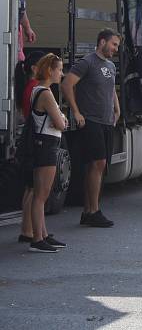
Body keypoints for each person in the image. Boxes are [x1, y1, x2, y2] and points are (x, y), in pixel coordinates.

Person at [62, 29, 121, 228]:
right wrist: (76, 112)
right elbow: (67, 84)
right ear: (102, 42)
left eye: (117, 46)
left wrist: (117, 107)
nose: (115, 48)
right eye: (113, 44)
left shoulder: (111, 66)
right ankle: (94, 211)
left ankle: (88, 211)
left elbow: (111, 88)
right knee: (98, 163)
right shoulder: (87, 62)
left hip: (106, 121)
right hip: (91, 120)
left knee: (98, 167)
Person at [24, 53, 68, 252]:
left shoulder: (37, 90)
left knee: (41, 193)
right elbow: (59, 123)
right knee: (42, 194)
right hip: (47, 144)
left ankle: (42, 234)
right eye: (59, 69)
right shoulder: (46, 93)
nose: (62, 73)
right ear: (50, 70)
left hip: (42, 143)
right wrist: (61, 119)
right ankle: (37, 238)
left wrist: (59, 118)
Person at [16, 50, 45, 245]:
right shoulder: (36, 88)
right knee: (35, 189)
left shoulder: (28, 87)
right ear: (35, 69)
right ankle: (30, 230)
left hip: (29, 140)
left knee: (31, 188)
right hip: (36, 140)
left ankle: (28, 229)